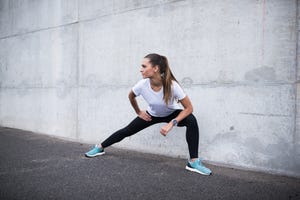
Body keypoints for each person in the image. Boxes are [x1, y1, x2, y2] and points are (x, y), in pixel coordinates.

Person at [85, 53, 212, 175]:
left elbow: (189, 108)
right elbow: (131, 96)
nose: (141, 70)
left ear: (155, 68)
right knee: (127, 130)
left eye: (144, 66)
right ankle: (99, 147)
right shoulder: (142, 85)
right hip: (152, 115)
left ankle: (193, 162)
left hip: (172, 113)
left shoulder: (172, 86)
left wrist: (172, 123)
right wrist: (138, 112)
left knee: (191, 120)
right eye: (141, 66)